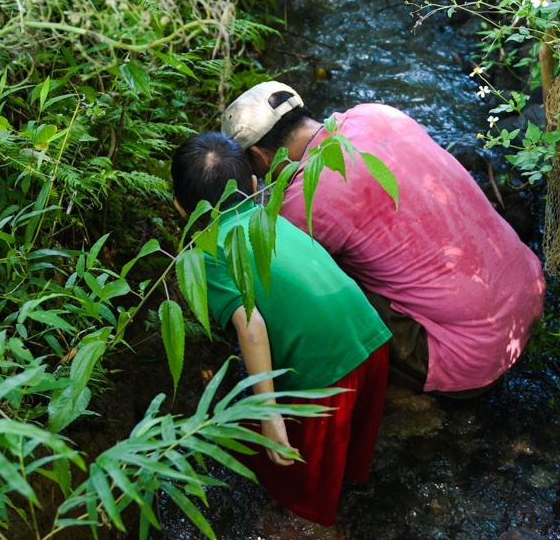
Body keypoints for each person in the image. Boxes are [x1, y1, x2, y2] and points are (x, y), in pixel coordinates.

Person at [222, 81, 543, 399]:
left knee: (317, 296)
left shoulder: (299, 205)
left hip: (472, 358)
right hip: (527, 292)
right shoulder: (374, 114)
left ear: (260, 157)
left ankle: (401, 396)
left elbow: (274, 288)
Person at [171, 131, 392, 530]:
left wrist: (269, 415)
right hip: (371, 342)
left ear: (179, 209)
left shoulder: (206, 251)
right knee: (342, 466)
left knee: (299, 499)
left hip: (325, 375)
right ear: (254, 184)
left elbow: (250, 325)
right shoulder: (271, 218)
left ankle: (317, 535)